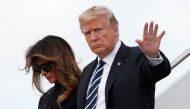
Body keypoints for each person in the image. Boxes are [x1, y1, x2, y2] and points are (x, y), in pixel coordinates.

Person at [77, 5, 171, 109]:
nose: (93, 38)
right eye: (87, 33)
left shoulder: (137, 56)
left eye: (98, 30)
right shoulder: (87, 71)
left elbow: (160, 71)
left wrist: (152, 55)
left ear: (115, 30)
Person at [24, 35, 81, 109]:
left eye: (46, 66)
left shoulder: (88, 86)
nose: (42, 73)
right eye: (38, 68)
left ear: (62, 61)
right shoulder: (45, 100)